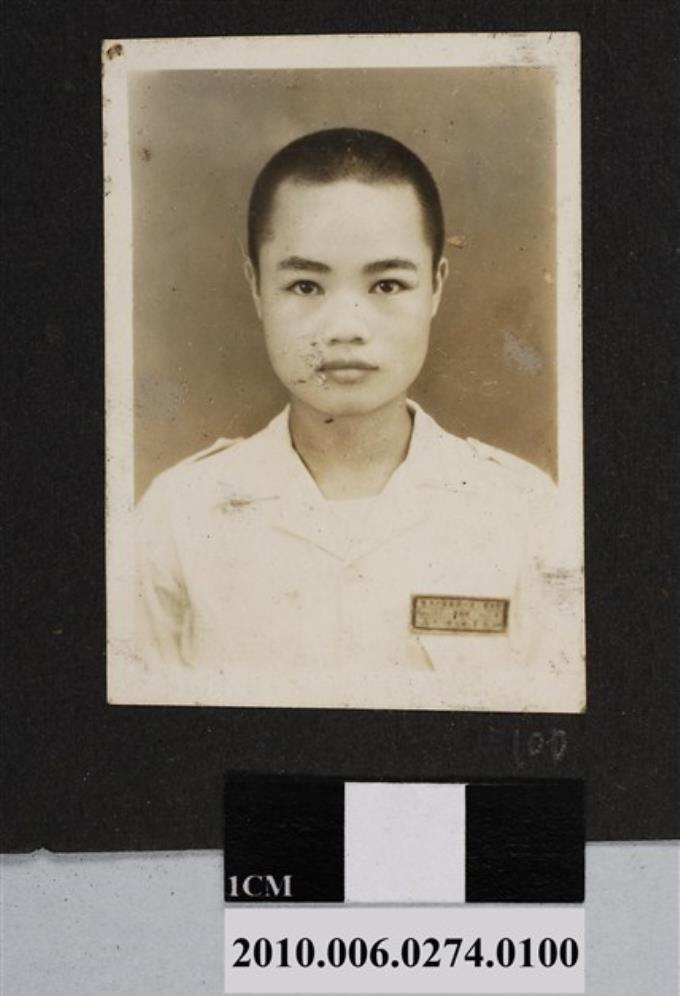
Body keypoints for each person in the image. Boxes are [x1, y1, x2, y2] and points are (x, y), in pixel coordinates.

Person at [132, 127, 584, 712]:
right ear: (257, 288)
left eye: (387, 284)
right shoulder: (177, 517)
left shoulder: (526, 514)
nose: (345, 327)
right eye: (305, 285)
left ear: (436, 286)